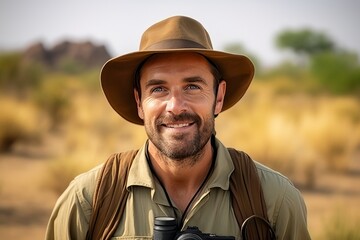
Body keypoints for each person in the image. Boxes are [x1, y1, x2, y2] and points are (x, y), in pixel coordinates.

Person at [45, 16, 311, 240]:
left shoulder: (273, 200)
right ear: (139, 102)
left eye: (192, 86)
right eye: (158, 89)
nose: (175, 106)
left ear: (218, 97)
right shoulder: (88, 201)